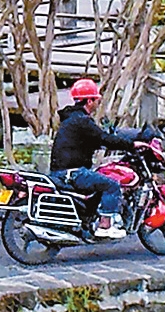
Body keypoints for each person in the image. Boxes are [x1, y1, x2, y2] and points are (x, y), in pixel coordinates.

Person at [47, 79, 148, 239]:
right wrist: (132, 145)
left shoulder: (72, 119)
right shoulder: (82, 121)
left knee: (99, 179)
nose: (97, 103)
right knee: (112, 185)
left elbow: (94, 140)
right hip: (73, 173)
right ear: (89, 101)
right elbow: (103, 138)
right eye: (95, 100)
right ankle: (105, 226)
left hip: (64, 171)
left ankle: (91, 219)